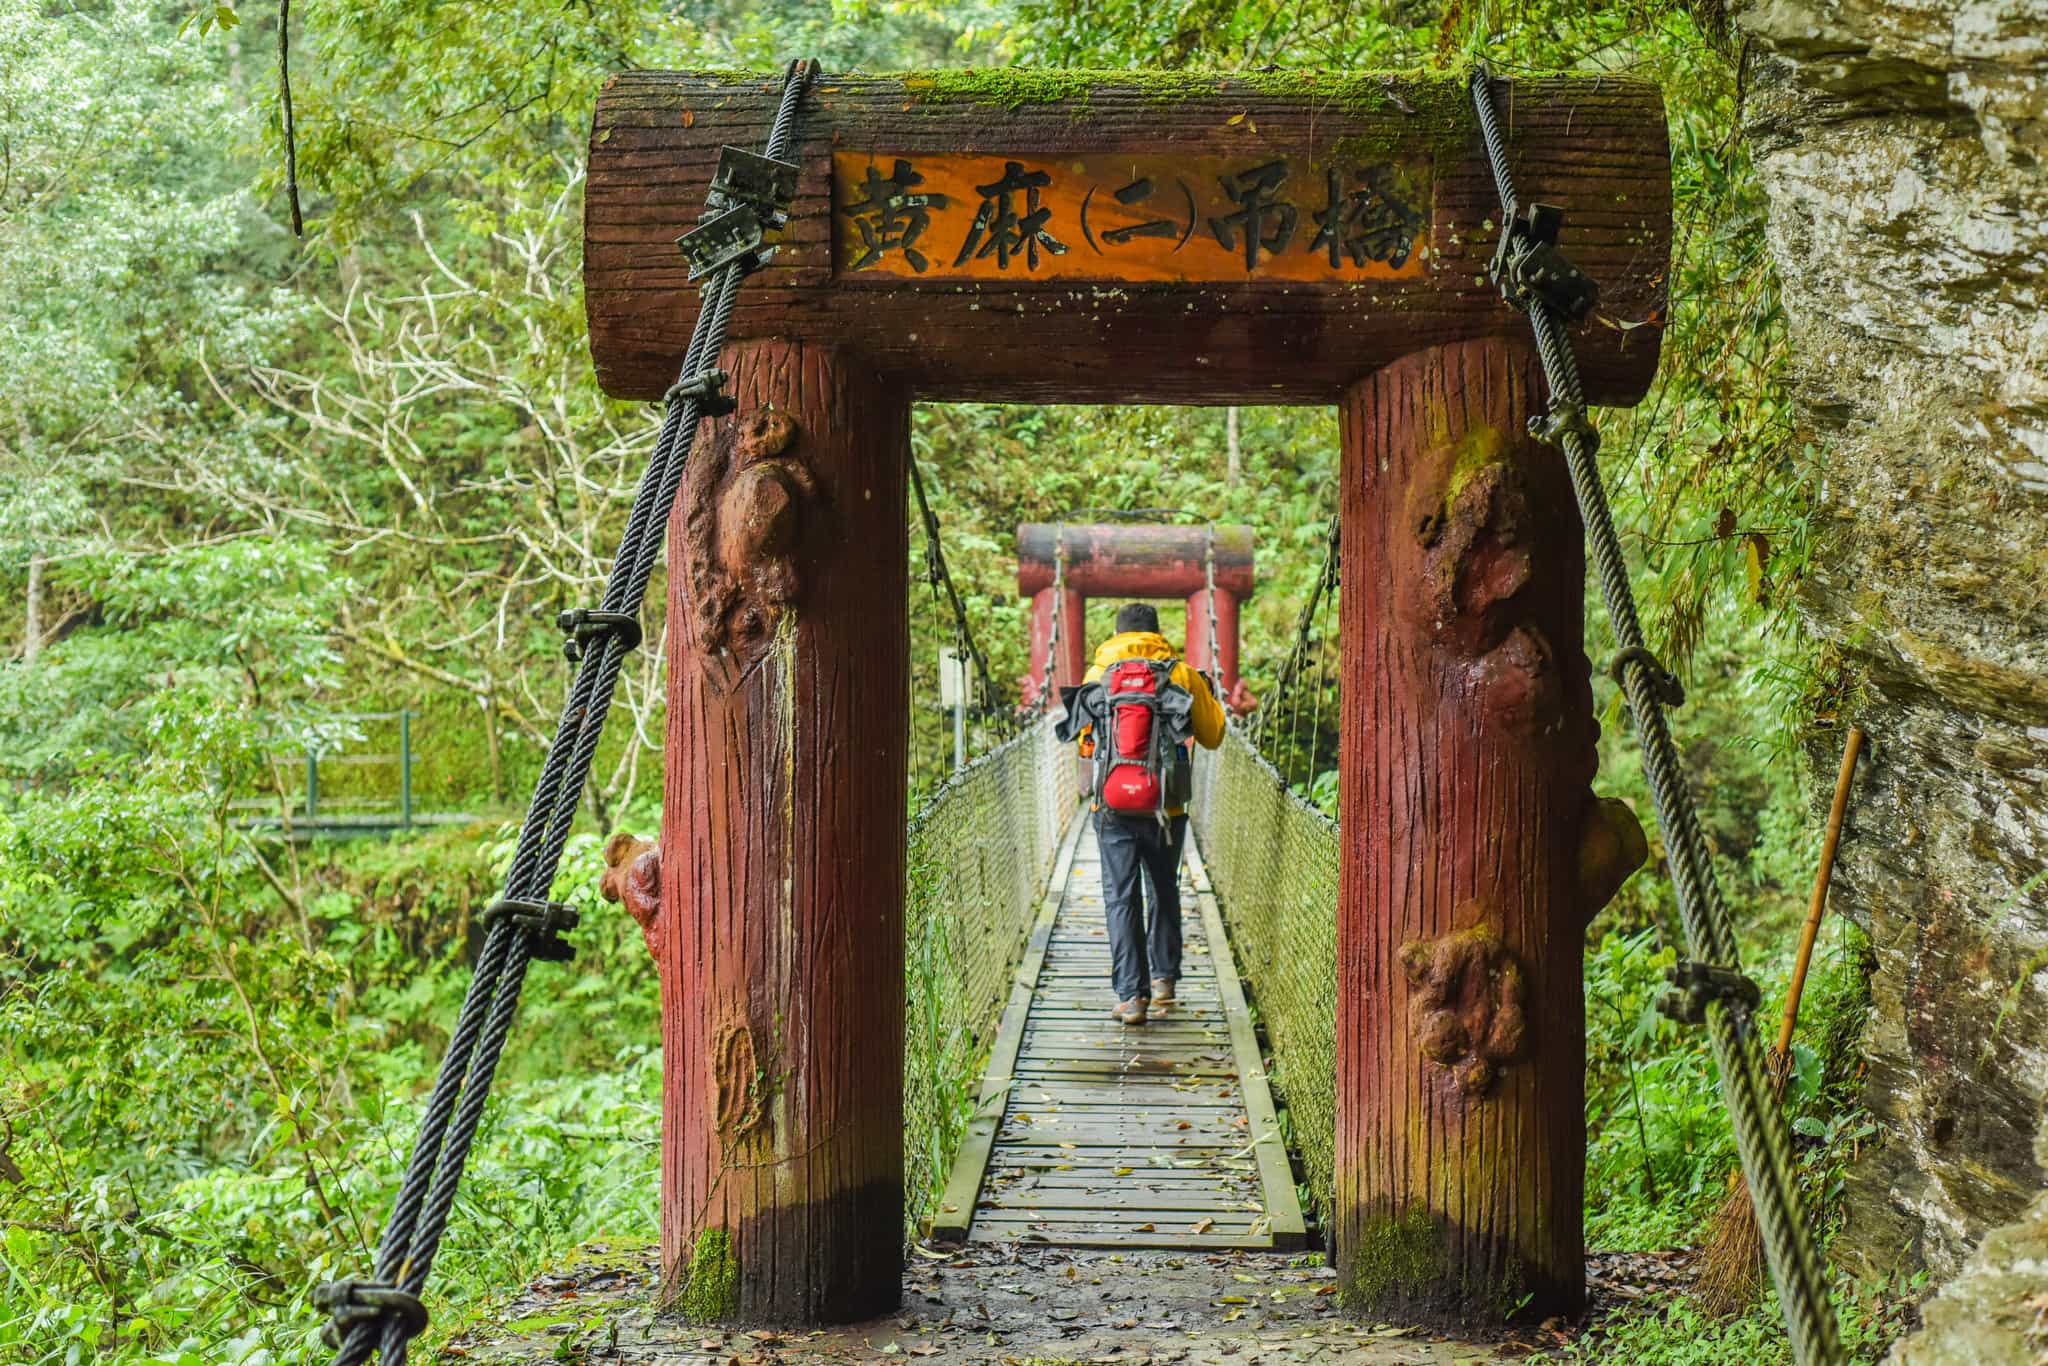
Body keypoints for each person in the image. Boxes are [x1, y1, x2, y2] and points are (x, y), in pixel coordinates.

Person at [1077, 603, 1224, 1025]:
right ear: (1158, 634)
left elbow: (1085, 744)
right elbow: (1212, 737)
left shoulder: (1097, 675)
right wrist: (1205, 697)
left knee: (1120, 897)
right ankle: (1164, 981)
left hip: (1111, 808)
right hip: (1167, 805)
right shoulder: (1181, 674)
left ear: (1116, 634)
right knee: (1163, 889)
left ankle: (1131, 998)